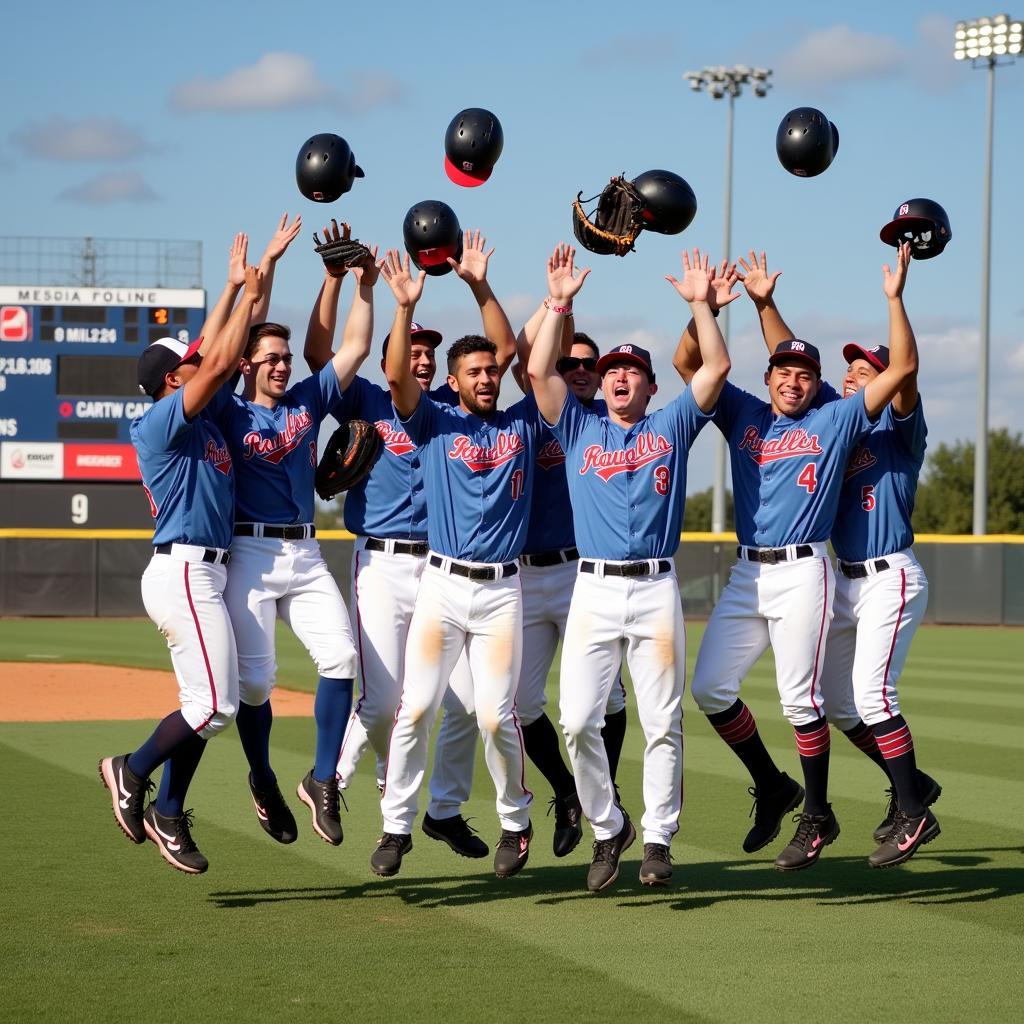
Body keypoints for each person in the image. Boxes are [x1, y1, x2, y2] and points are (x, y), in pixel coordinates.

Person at [673, 242, 919, 871]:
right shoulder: (744, 413)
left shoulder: (836, 421)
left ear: (818, 388)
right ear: (766, 378)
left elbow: (900, 372)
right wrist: (707, 305)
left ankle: (817, 815)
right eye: (782, 370)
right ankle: (776, 785)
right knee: (709, 688)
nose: (792, 378)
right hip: (748, 573)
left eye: (804, 374)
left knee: (801, 701)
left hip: (807, 570)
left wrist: (893, 299)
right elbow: (686, 360)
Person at [304, 224, 519, 861]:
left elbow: (502, 354)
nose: (422, 359)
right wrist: (341, 284)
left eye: (431, 352)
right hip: (383, 564)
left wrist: (477, 285)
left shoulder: (454, 405)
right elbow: (321, 357)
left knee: (463, 706)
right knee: (384, 706)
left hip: (447, 570)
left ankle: (444, 810)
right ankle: (331, 780)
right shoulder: (373, 397)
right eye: (414, 351)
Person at [528, 245, 730, 892]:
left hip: (654, 589)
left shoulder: (671, 424)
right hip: (592, 589)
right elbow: (538, 372)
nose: (617, 377)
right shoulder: (579, 429)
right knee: (579, 720)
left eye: (629, 371)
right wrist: (558, 301)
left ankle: (660, 840)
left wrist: (700, 303)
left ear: (649, 386)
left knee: (662, 721)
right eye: (610, 369)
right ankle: (609, 824)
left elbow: (717, 364)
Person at [733, 249, 940, 868]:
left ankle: (913, 811)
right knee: (835, 702)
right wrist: (764, 303)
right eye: (848, 368)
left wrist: (895, 297)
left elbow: (904, 369)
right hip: (844, 582)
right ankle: (916, 785)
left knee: (875, 697)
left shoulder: (896, 430)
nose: (853, 374)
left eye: (865, 368)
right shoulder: (833, 422)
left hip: (890, 574)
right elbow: (787, 365)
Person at [370, 249, 535, 880]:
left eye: (491, 370)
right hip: (441, 585)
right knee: (415, 709)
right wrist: (405, 305)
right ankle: (395, 827)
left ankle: (515, 825)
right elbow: (394, 377)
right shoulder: (434, 421)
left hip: (500, 593)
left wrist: (480, 283)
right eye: (474, 372)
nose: (487, 378)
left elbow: (510, 349)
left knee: (495, 715)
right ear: (455, 381)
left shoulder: (522, 423)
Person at [207, 229, 374, 849]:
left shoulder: (307, 399)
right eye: (269, 356)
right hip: (248, 551)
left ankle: (323, 779)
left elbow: (354, 346)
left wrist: (363, 287)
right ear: (247, 363)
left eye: (284, 355)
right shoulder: (228, 409)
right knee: (254, 685)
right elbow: (222, 349)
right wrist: (265, 272)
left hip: (304, 552)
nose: (281, 363)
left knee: (343, 660)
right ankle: (261, 775)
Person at [100, 249, 263, 874]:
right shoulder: (160, 425)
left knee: (203, 702)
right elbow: (218, 358)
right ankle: (131, 770)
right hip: (185, 570)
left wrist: (239, 288)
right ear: (173, 381)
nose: (200, 362)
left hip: (207, 572)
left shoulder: (203, 424)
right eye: (187, 364)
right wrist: (245, 295)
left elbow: (214, 350)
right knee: (215, 706)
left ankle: (168, 812)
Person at [511, 310, 629, 857]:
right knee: (520, 703)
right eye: (569, 362)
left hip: (584, 571)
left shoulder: (610, 421)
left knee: (606, 700)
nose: (579, 369)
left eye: (589, 364)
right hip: (525, 574)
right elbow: (529, 363)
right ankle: (566, 791)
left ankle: (607, 791)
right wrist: (561, 304)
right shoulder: (537, 414)